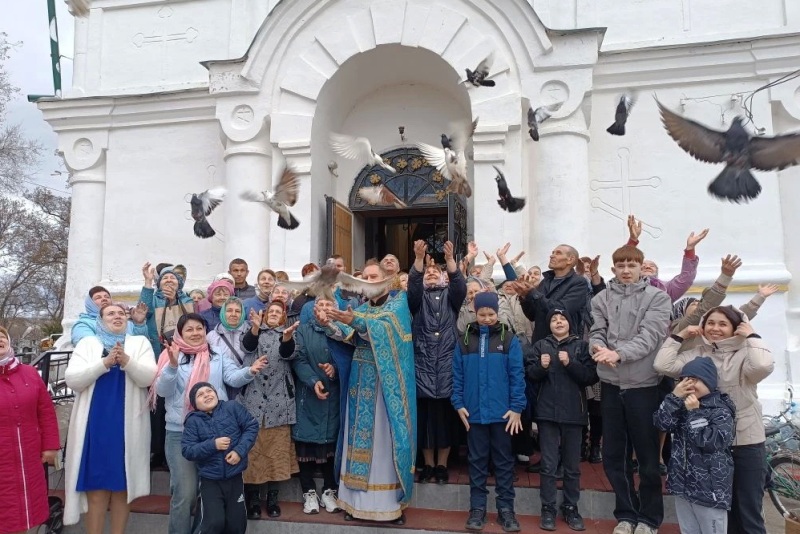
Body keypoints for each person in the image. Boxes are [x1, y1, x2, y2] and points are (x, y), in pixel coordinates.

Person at [654, 306, 773, 534]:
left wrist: (752, 335)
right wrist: (680, 335)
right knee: (720, 513)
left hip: (744, 440)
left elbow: (762, 366)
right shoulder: (697, 354)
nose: (715, 328)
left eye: (723, 324)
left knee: (747, 512)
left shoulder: (746, 353)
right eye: (710, 322)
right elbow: (662, 365)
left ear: (736, 327)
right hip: (707, 446)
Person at [317, 262, 417, 524]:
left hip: (386, 387)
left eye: (374, 277)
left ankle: (389, 507)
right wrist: (328, 324)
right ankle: (354, 504)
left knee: (384, 441)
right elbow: (348, 334)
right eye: (366, 278)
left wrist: (355, 321)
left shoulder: (398, 304)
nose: (368, 282)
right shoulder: (362, 307)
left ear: (386, 280)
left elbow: (385, 331)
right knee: (356, 438)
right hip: (360, 381)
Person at [151, 313, 265, 534]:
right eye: (189, 329)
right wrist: (172, 366)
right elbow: (162, 391)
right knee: (185, 494)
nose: (195, 333)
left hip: (215, 431)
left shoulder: (217, 353)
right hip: (180, 432)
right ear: (180, 333)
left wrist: (249, 371)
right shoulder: (171, 355)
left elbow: (232, 377)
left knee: (209, 494)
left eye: (199, 328)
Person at [589, 245, 672, 534]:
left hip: (644, 386)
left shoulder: (658, 298)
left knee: (648, 458)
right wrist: (597, 347)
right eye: (621, 266)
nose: (626, 271)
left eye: (632, 265)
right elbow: (596, 331)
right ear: (613, 269)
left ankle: (649, 518)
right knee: (614, 456)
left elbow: (651, 336)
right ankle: (626, 514)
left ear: (640, 267)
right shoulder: (601, 298)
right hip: (611, 385)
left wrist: (618, 353)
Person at [64, 304, 157, 533]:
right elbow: (73, 380)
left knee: (123, 490)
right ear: (100, 320)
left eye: (121, 313)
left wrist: (127, 361)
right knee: (96, 491)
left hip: (127, 427)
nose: (117, 316)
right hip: (94, 426)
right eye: (110, 313)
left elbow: (148, 378)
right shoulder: (88, 344)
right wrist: (104, 363)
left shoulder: (139, 343)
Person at [451, 292, 524, 532]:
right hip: (474, 413)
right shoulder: (464, 340)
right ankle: (477, 509)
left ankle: (506, 510)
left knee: (504, 463)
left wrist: (516, 408)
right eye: (482, 314)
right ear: (475, 313)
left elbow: (517, 376)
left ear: (497, 313)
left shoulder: (509, 339)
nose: (487, 318)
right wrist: (458, 403)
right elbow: (457, 375)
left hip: (503, 415)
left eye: (491, 314)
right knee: (477, 462)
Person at [526, 308, 598, 531]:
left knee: (572, 466)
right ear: (548, 325)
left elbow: (590, 377)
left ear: (569, 323)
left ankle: (570, 507)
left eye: (562, 319)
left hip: (574, 414)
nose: (558, 322)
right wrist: (541, 367)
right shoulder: (541, 345)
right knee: (548, 465)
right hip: (547, 413)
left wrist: (570, 364)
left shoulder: (581, 346)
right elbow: (530, 375)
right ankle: (547, 508)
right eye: (554, 320)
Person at [653, 357, 735, 534]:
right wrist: (673, 397)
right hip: (682, 486)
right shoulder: (682, 405)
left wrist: (695, 413)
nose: (689, 384)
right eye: (684, 380)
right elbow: (661, 423)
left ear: (709, 381)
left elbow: (711, 442)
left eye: (694, 379)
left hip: (710, 491)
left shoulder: (721, 410)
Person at [408, 240, 467, 484]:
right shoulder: (417, 298)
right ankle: (428, 465)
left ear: (443, 277)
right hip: (422, 364)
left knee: (444, 419)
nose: (431, 273)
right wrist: (418, 260)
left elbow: (460, 286)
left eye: (436, 271)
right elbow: (412, 287)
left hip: (446, 364)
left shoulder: (450, 297)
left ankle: (442, 465)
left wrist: (451, 261)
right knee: (424, 419)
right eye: (428, 272)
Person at [239, 302, 301, 519]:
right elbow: (247, 346)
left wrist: (287, 338)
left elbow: (288, 353)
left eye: (278, 312)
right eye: (270, 311)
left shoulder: (289, 334)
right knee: (253, 452)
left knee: (277, 453)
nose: (274, 314)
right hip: (253, 401)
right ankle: (254, 500)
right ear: (264, 315)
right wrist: (255, 328)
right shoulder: (253, 331)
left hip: (279, 403)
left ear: (283, 316)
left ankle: (273, 499)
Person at [290, 297, 349, 514]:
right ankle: (309, 492)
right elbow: (298, 359)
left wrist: (335, 368)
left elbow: (349, 355)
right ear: (313, 309)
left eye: (329, 305)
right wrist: (313, 380)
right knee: (306, 444)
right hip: (308, 394)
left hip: (334, 395)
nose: (325, 308)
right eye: (321, 305)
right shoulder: (303, 330)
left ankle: (329, 491)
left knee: (330, 445)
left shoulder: (341, 331)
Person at [0, 326, 60, 534]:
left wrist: (50, 446)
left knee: (22, 514)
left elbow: (46, 412)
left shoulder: (29, 373)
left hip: (28, 458)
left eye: (2, 336)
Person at [181, 382, 259, 534]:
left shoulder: (232, 407)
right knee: (213, 523)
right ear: (194, 404)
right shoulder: (193, 421)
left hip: (235, 478)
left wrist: (239, 451)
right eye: (200, 395)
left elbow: (251, 426)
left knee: (237, 524)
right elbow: (187, 450)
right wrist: (213, 445)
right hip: (210, 481)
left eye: (209, 391)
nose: (206, 395)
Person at [511, 244, 600, 344]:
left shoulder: (578, 282)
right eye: (552, 253)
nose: (552, 256)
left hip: (564, 345)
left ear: (570, 259)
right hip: (540, 343)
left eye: (558, 253)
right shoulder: (545, 281)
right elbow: (532, 315)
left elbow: (561, 310)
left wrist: (532, 292)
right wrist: (524, 296)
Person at [626, 215, 707, 302]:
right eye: (643, 265)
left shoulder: (666, 289)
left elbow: (686, 278)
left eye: (652, 266)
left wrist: (690, 249)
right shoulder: (626, 285)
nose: (647, 266)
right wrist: (633, 240)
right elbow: (623, 262)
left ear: (657, 272)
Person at [71, 286, 149, 345]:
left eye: (107, 297)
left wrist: (139, 324)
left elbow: (141, 344)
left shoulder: (124, 321)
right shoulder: (84, 324)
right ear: (90, 303)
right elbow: (87, 344)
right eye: (98, 298)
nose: (104, 299)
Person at [207, 296, 249, 400]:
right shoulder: (211, 336)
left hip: (246, 386)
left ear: (242, 314)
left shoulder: (251, 333)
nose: (233, 314)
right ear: (223, 313)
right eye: (229, 310)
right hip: (221, 387)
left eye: (237, 311)